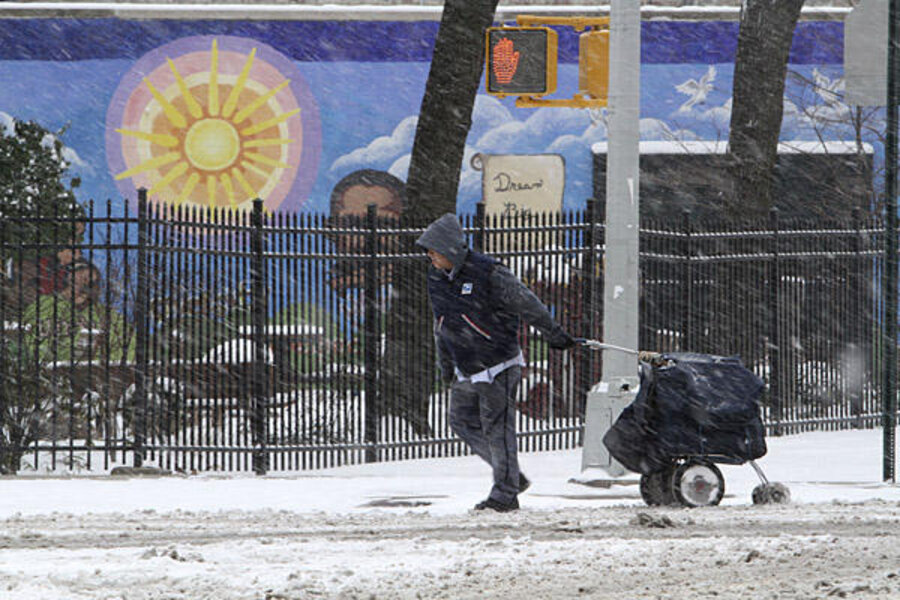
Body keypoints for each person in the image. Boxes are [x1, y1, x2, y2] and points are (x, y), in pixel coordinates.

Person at [416, 213, 577, 512]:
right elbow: (442, 323)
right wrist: (446, 365)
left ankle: (505, 494)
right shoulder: (436, 278)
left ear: (449, 248)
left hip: (498, 362)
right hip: (466, 366)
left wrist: (552, 332)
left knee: (498, 429)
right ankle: (510, 476)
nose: (430, 256)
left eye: (433, 250)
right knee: (461, 421)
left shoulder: (488, 272)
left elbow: (526, 302)